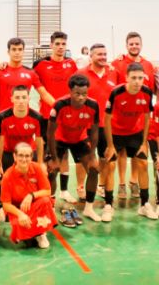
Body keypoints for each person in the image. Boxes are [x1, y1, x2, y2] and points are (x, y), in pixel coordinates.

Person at [103, 62, 156, 222]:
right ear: (126, 78)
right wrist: (110, 145)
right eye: (133, 78)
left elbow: (147, 118)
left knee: (143, 164)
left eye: (140, 78)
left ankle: (144, 205)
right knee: (110, 165)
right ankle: (108, 205)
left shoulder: (146, 92)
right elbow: (107, 119)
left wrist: (144, 143)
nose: (137, 81)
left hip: (135, 134)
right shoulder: (116, 92)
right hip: (116, 134)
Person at [33, 31, 81, 203]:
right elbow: (27, 77)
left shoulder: (71, 64)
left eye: (63, 44)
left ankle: (64, 191)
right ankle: (48, 191)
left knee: (65, 154)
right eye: (58, 44)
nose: (61, 47)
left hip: (67, 117)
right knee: (49, 156)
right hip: (48, 117)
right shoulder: (40, 65)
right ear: (51, 45)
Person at [47, 74, 101, 226]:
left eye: (84, 94)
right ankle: (50, 207)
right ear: (70, 91)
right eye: (77, 93)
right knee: (52, 171)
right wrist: (54, 158)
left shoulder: (93, 105)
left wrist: (92, 155)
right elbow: (50, 133)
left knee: (94, 169)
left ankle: (89, 208)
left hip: (79, 139)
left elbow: (94, 132)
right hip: (59, 139)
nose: (81, 97)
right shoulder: (59, 105)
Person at [111, 32, 155, 200]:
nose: (134, 46)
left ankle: (133, 181)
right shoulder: (117, 63)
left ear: (141, 45)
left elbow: (151, 90)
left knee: (138, 152)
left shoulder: (148, 65)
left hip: (140, 118)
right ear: (126, 45)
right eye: (131, 44)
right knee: (121, 152)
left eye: (137, 43)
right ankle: (122, 184)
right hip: (121, 118)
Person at [0, 85, 44, 220]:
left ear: (28, 98)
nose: (21, 101)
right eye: (17, 97)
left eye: (23, 97)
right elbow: (0, 141)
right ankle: (0, 207)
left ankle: (34, 204)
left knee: (39, 176)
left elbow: (39, 140)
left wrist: (40, 162)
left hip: (28, 154)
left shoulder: (37, 117)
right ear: (12, 99)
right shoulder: (2, 116)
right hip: (8, 152)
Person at [78, 44, 119, 199]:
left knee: (104, 158)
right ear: (91, 56)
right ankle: (81, 187)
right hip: (85, 125)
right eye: (99, 54)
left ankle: (101, 185)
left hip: (106, 126)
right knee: (83, 158)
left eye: (105, 54)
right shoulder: (81, 74)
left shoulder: (113, 73)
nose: (103, 57)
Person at [1, 142, 57, 248]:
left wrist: (31, 195)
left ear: (31, 157)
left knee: (45, 200)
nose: (24, 159)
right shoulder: (8, 176)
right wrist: (21, 214)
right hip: (18, 209)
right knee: (22, 230)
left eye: (27, 156)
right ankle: (30, 232)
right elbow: (6, 204)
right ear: (14, 157)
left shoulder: (36, 168)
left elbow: (47, 191)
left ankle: (41, 233)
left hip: (35, 206)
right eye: (20, 155)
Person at [0, 37, 54, 114]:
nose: (17, 52)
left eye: (20, 49)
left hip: (24, 118)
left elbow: (44, 94)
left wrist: (59, 107)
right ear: (8, 52)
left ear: (23, 52)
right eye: (14, 49)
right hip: (4, 118)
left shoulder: (31, 73)